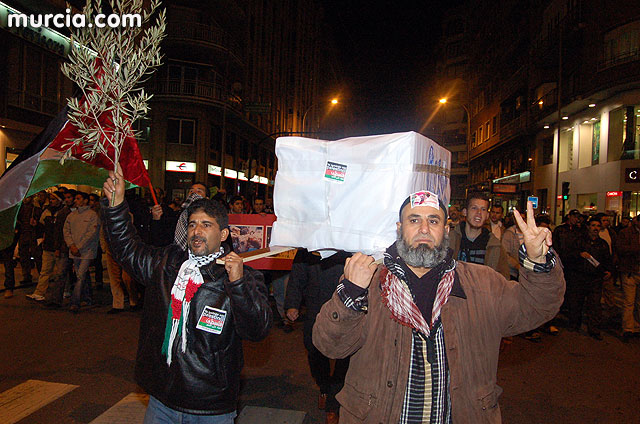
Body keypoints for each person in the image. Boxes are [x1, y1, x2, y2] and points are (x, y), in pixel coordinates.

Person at [312, 191, 564, 423]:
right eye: (414, 220)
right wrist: (351, 295)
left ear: (446, 229)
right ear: (399, 229)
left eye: (433, 221)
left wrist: (538, 261)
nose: (423, 228)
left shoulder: (482, 283)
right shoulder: (367, 281)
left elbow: (536, 307)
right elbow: (331, 346)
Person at [101, 166, 272, 423]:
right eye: (192, 224)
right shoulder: (168, 263)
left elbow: (257, 330)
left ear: (223, 234)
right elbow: (128, 250)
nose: (196, 231)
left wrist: (237, 285)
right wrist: (115, 208)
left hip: (211, 407)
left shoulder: (241, 276)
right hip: (163, 401)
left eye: (206, 225)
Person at [285, 249, 351, 424]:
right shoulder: (308, 245)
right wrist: (292, 304)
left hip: (347, 308)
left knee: (345, 357)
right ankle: (324, 386)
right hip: (316, 307)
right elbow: (297, 277)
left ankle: (332, 405)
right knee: (314, 351)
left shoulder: (350, 240)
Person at [449, 193, 509, 278]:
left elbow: (503, 280)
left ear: (487, 215)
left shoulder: (495, 246)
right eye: (474, 208)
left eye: (483, 209)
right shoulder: (449, 240)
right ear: (465, 212)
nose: (479, 213)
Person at [63, 191, 100, 313]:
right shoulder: (71, 216)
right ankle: (88, 297)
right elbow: (66, 231)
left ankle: (75, 302)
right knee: (82, 274)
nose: (76, 201)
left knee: (80, 275)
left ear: (85, 200)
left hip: (86, 251)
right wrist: (71, 245)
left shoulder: (92, 215)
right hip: (75, 251)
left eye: (78, 199)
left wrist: (78, 246)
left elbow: (91, 234)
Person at [26, 192, 64, 301]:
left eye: (54, 199)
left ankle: (64, 291)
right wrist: (36, 225)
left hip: (59, 246)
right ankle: (40, 292)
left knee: (61, 272)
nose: (51, 201)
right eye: (50, 199)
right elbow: (42, 226)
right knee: (45, 271)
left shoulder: (63, 212)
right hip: (48, 245)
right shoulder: (46, 211)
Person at [616, 214, 640, 343]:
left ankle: (636, 326)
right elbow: (620, 249)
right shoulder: (626, 233)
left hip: (635, 269)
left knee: (638, 302)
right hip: (630, 271)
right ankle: (628, 328)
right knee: (629, 301)